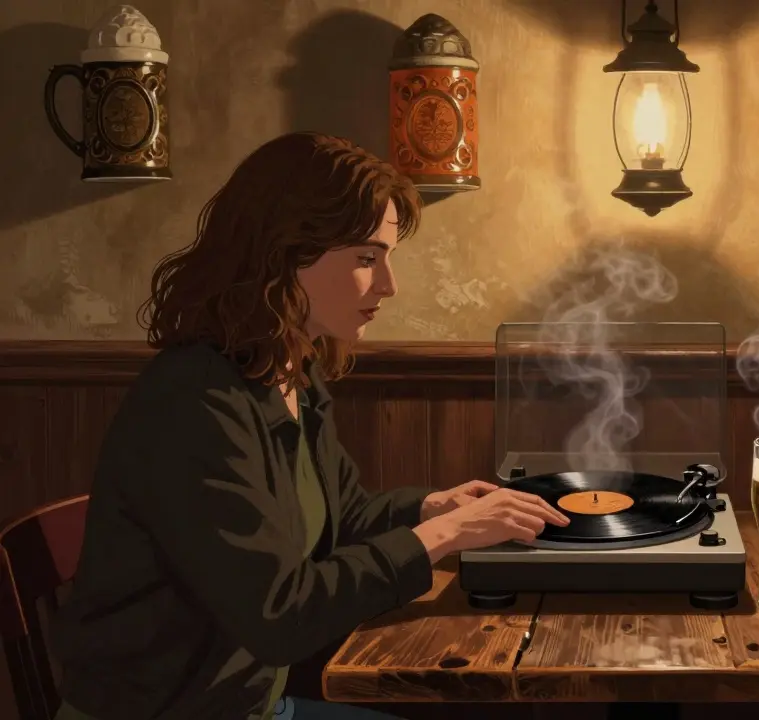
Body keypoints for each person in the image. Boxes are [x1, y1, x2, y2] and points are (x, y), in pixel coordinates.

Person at [49, 132, 571, 720]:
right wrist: (446, 537)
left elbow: (340, 518)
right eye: (366, 259)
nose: (389, 286)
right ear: (283, 255)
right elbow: (281, 618)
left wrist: (432, 507)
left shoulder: (290, 373)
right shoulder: (195, 401)